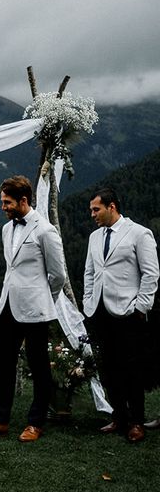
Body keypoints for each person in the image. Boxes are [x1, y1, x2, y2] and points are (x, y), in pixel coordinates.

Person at [0, 175, 66, 443]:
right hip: (8, 307)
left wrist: (42, 299)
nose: (3, 207)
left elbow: (58, 275)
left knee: (39, 367)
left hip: (35, 310)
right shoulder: (6, 229)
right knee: (5, 366)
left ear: (23, 201)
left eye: (7, 202)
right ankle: (0, 421)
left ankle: (35, 423)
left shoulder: (45, 230)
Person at [82, 188, 159, 443]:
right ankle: (119, 416)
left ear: (111, 207)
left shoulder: (138, 233)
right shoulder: (94, 237)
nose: (92, 214)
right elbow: (90, 273)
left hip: (128, 312)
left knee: (131, 368)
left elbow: (151, 274)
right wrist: (87, 302)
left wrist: (141, 307)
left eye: (96, 209)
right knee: (108, 367)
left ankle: (137, 421)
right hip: (99, 311)